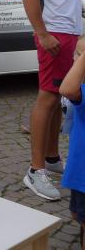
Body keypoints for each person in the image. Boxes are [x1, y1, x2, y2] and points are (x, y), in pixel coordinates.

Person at [21, 0, 85, 201]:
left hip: (66, 32)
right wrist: (43, 34)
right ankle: (35, 171)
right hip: (56, 35)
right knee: (47, 98)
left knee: (58, 97)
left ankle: (51, 158)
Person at [61, 50, 85, 250]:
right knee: (77, 214)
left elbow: (67, 89)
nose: (74, 58)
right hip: (79, 175)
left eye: (79, 54)